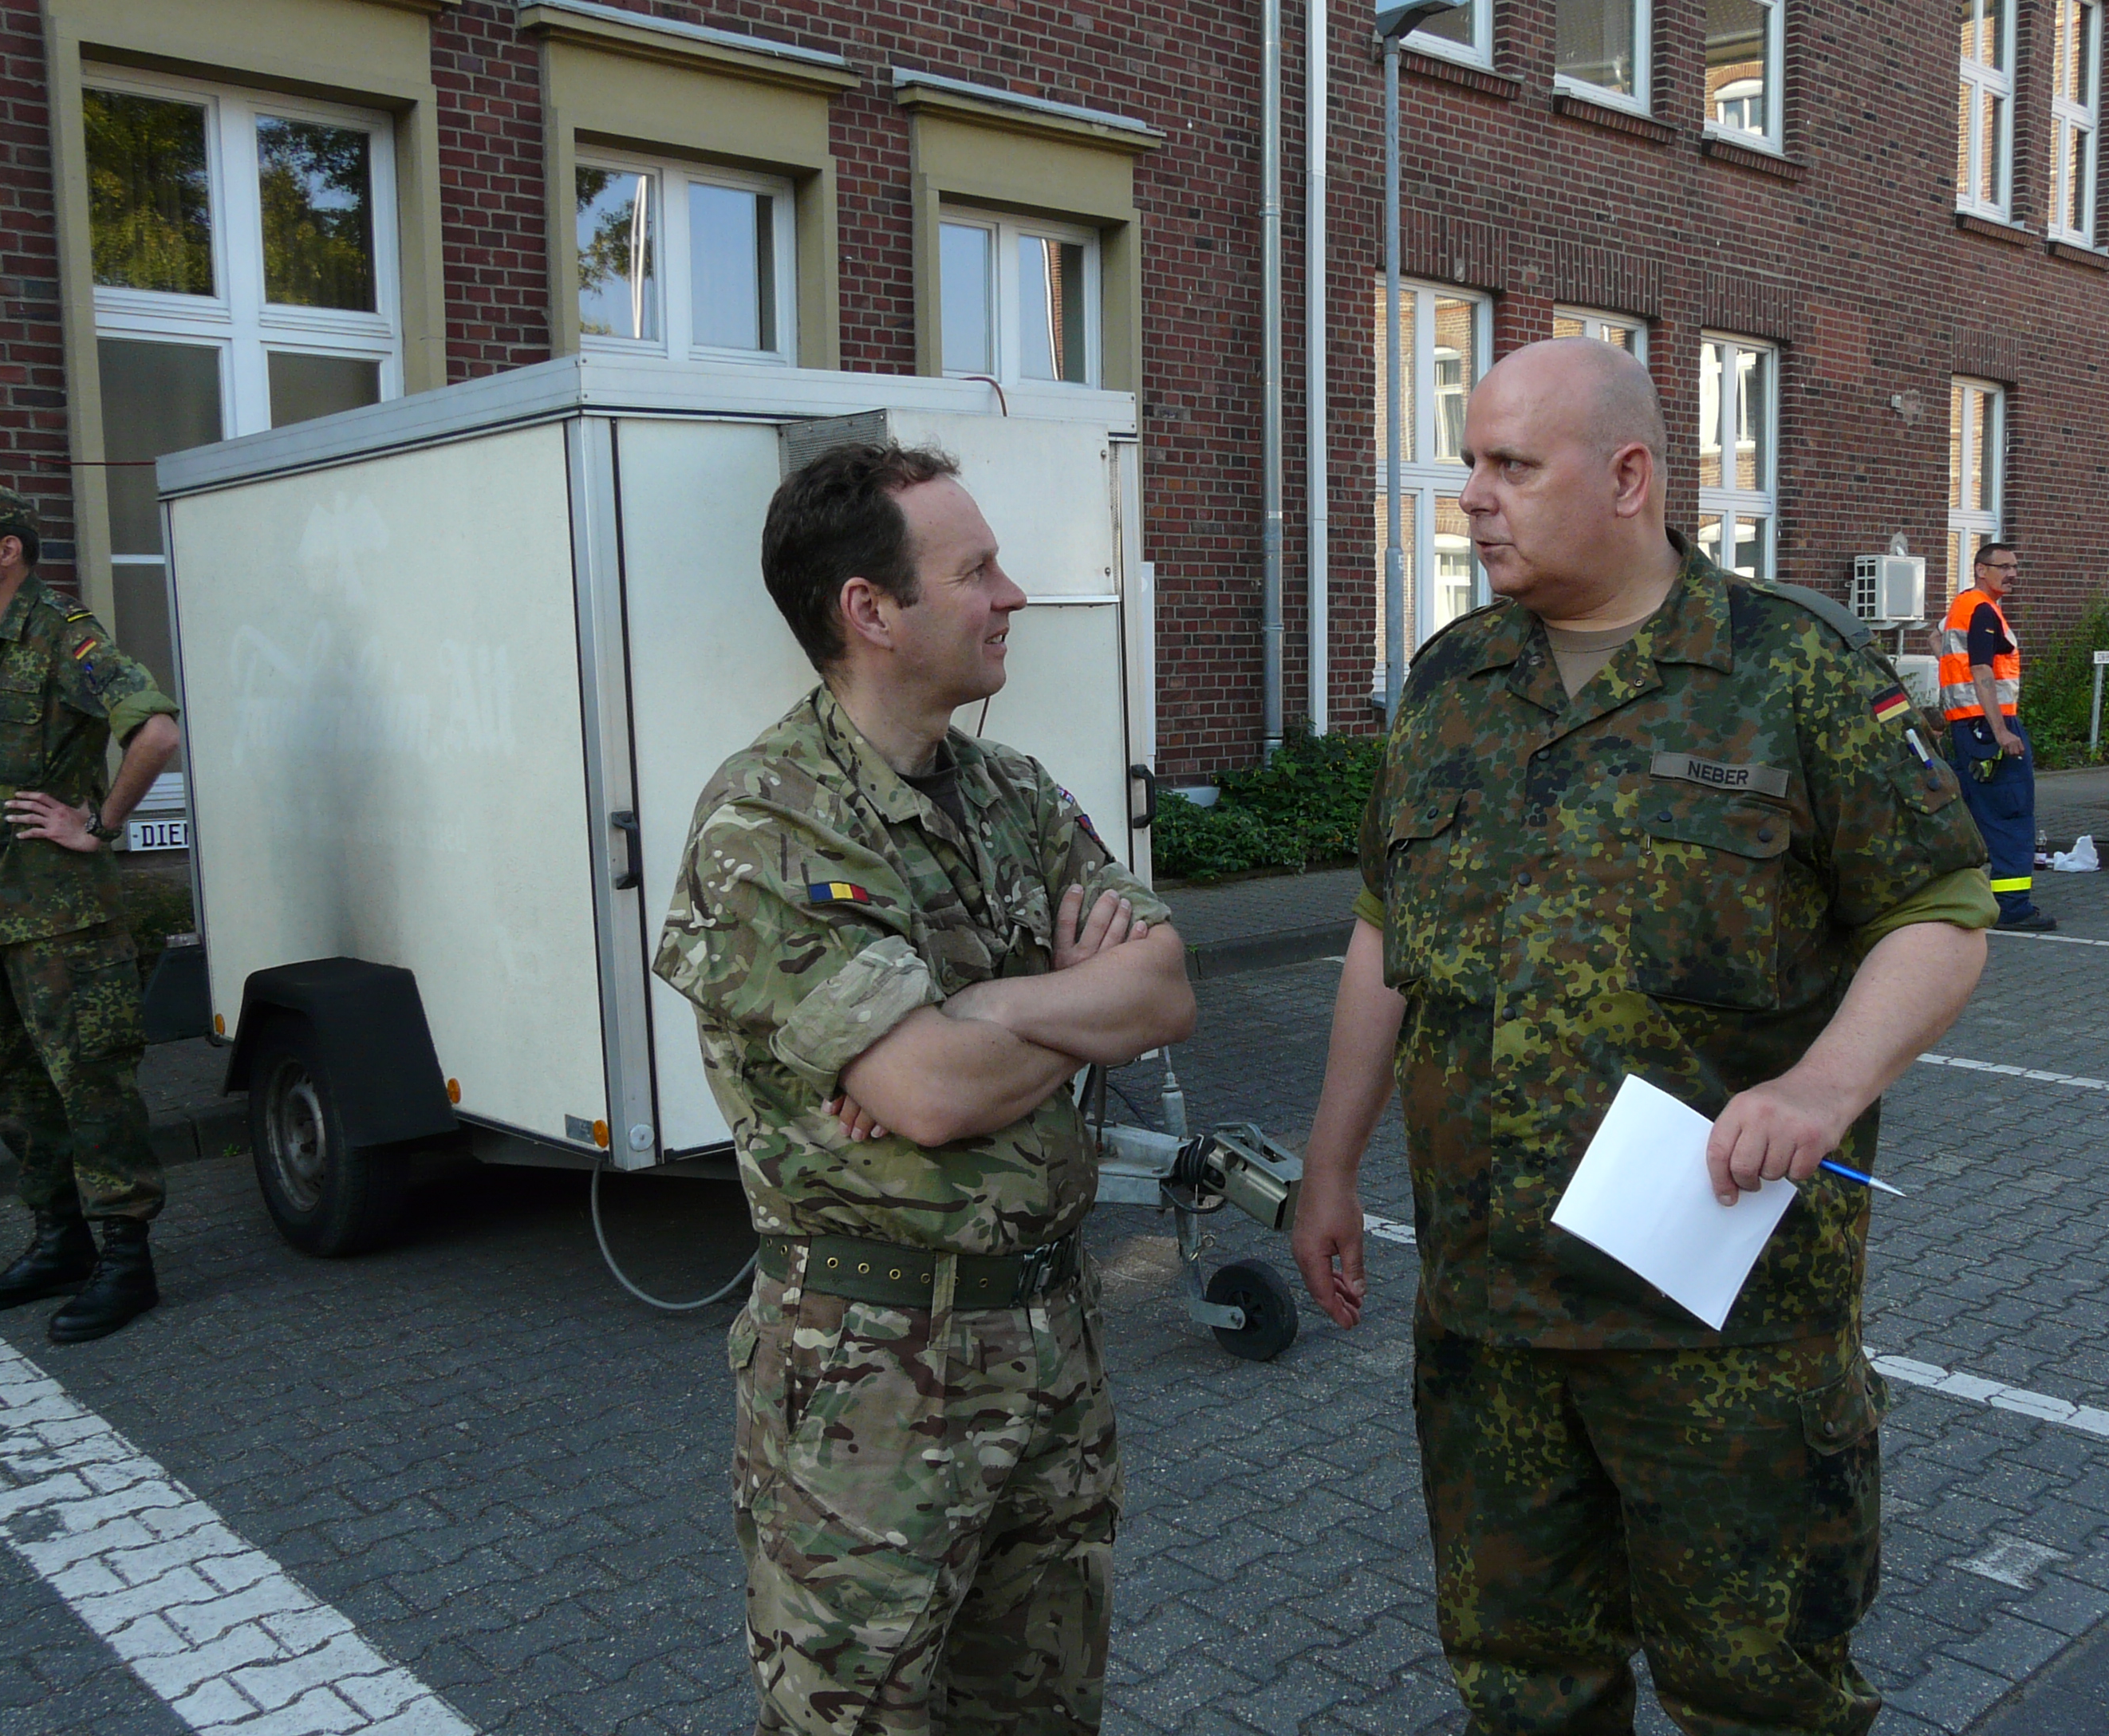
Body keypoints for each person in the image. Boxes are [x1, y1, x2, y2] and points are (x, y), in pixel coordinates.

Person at [1287, 339, 1993, 1735]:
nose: (1471, 497)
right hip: (1490, 1319)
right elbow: (1383, 931)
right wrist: (1327, 1167)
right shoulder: (1451, 681)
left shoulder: (1788, 671)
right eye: (1469, 463)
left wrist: (1823, 1083)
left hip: (1719, 1327)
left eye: (1509, 465)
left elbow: (1939, 910)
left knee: (1757, 1693)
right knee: (1522, 1685)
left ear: (1627, 479)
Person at [652, 443, 1195, 1736]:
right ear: (871, 611)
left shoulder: (1012, 792)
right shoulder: (768, 825)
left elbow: (1166, 987)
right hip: (871, 1386)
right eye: (976, 571)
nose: (1012, 594)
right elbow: (935, 1093)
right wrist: (1065, 999)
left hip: (1050, 1347)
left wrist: (988, 1011)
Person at [0, 481, 183, 1343]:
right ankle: (59, 1243)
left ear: (6, 548)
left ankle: (127, 1261)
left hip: (63, 923)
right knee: (15, 1092)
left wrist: (99, 825)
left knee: (90, 1088)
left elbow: (154, 730)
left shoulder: (64, 634)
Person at [1939, 542, 2054, 932]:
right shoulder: (1983, 610)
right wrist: (2002, 731)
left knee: (1971, 812)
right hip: (1989, 727)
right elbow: (1981, 670)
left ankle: (1952, 894)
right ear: (1980, 569)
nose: (2012, 574)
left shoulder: (1962, 606)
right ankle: (2011, 906)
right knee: (2011, 814)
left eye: (2015, 567)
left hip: (1965, 728)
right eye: (2003, 566)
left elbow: (1936, 640)